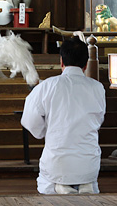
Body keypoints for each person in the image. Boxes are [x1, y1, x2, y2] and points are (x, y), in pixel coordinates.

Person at [21, 37, 106, 195]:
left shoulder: (47, 85)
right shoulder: (98, 88)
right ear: (86, 64)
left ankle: (58, 187)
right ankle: (84, 185)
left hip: (57, 163)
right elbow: (97, 121)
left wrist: (47, 130)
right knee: (87, 180)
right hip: (89, 165)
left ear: (61, 61)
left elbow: (29, 121)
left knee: (45, 183)